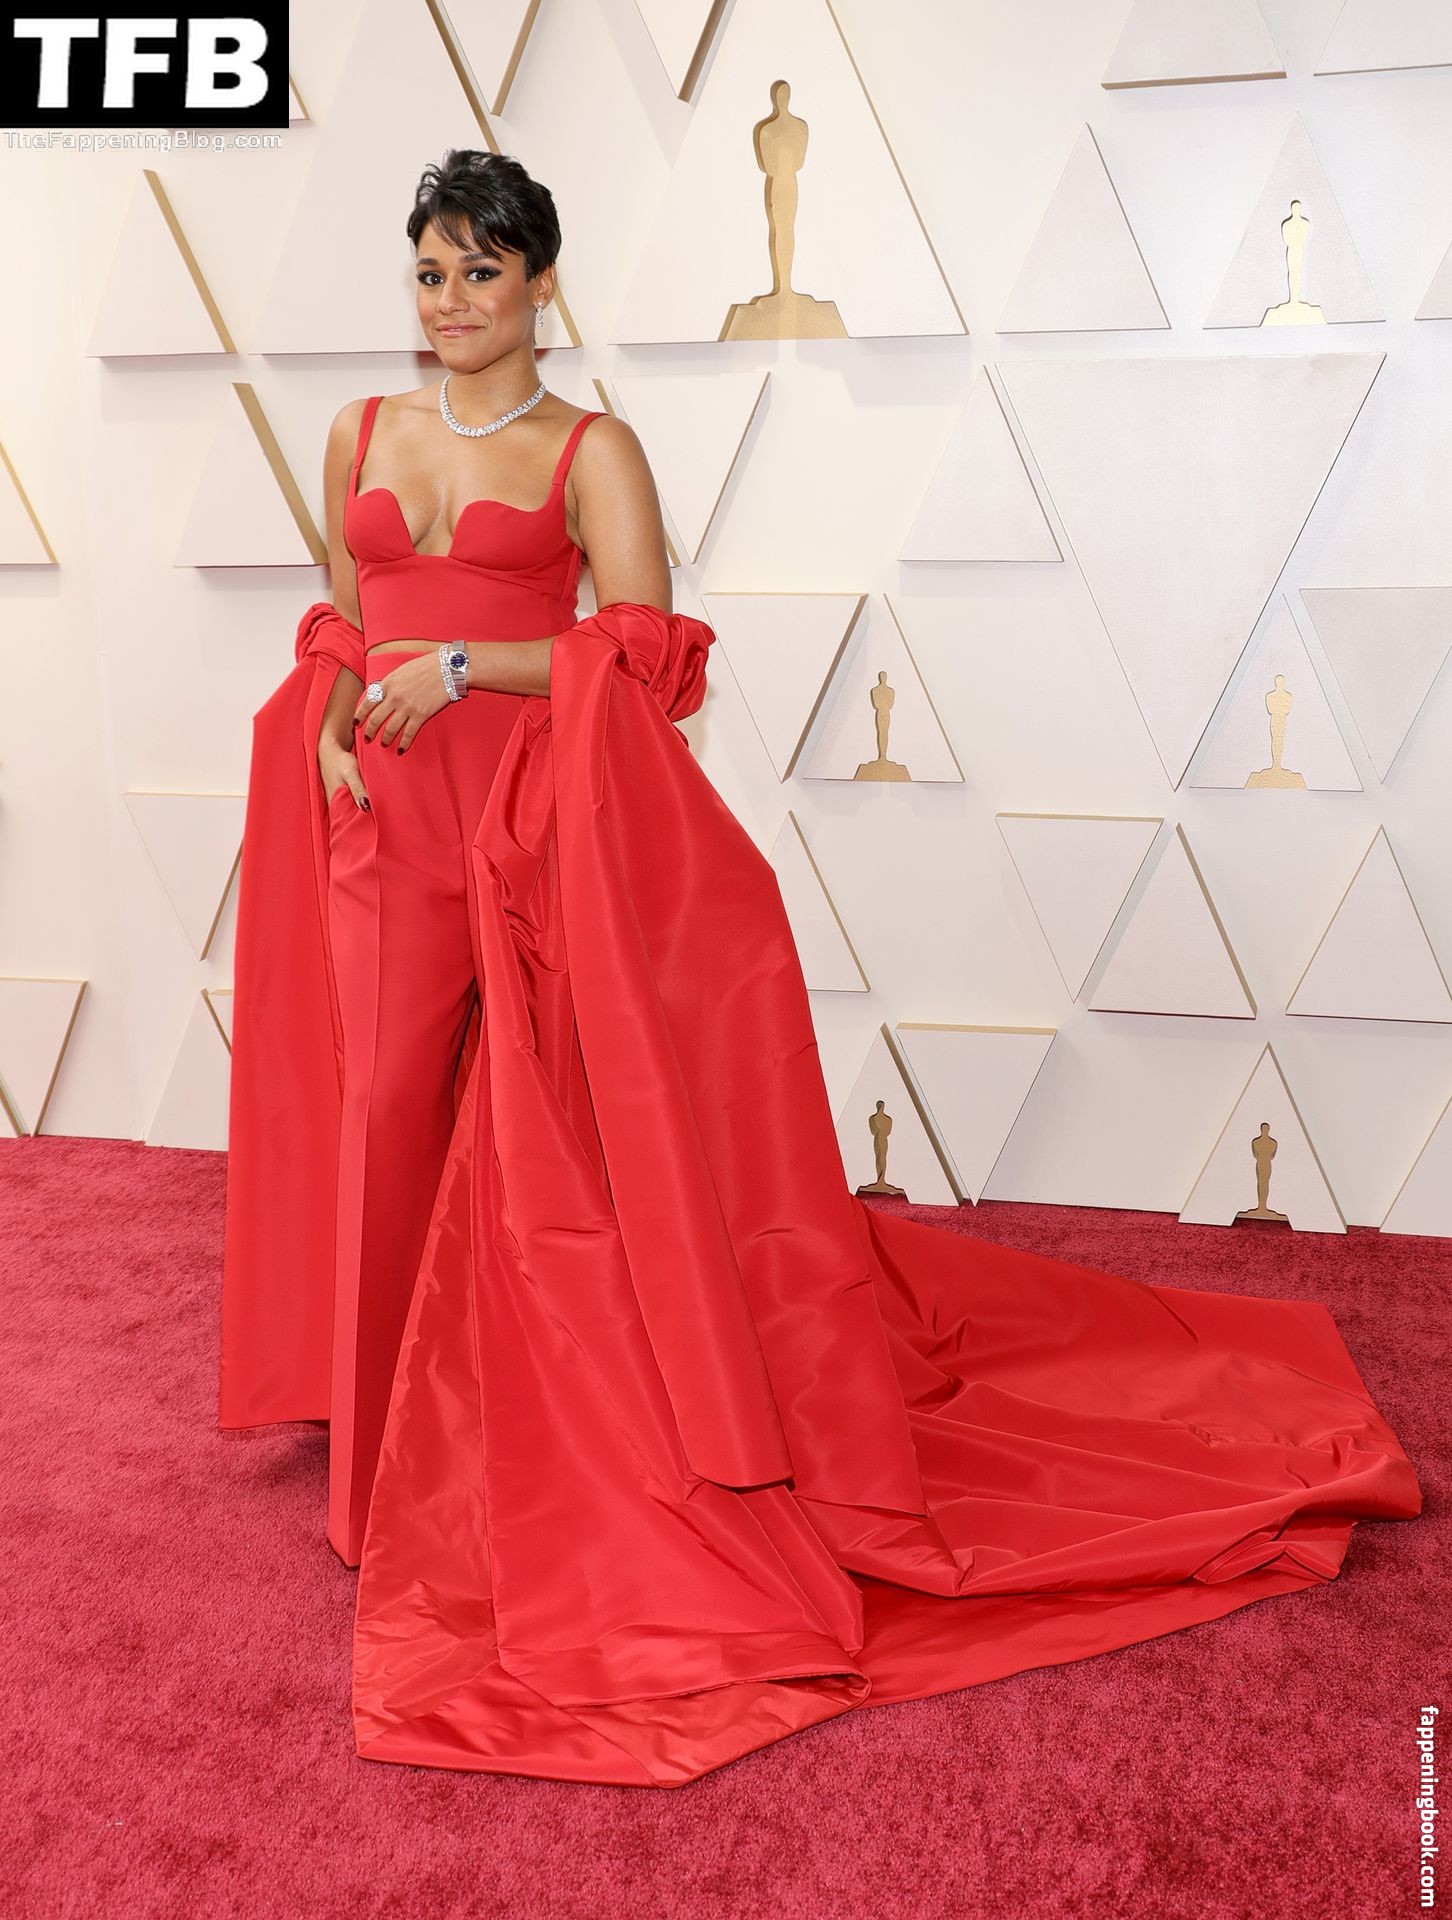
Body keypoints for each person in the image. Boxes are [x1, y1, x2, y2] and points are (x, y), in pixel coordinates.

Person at [218, 149, 1423, 1790]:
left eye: (481, 273)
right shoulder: (359, 431)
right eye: (430, 274)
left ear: (543, 284)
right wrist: (336, 713)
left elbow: (647, 656)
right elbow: (341, 611)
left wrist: (463, 662)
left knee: (554, 1161)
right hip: (386, 823)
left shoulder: (591, 449)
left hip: (530, 825)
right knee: (381, 1120)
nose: (451, 303)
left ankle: (545, 1443)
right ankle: (380, 1468)